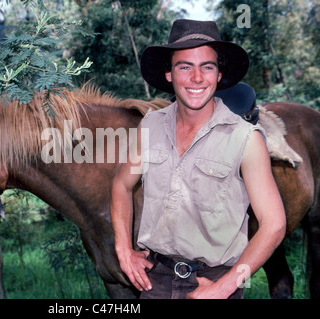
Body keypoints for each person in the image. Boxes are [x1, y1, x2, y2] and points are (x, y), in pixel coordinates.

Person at [110, 19, 286, 299]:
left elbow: (274, 224)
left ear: (218, 75)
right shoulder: (150, 125)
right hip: (154, 281)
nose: (196, 77)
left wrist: (225, 287)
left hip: (215, 283)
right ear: (169, 74)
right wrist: (123, 249)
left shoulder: (245, 138)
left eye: (207, 66)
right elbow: (121, 185)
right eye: (184, 66)